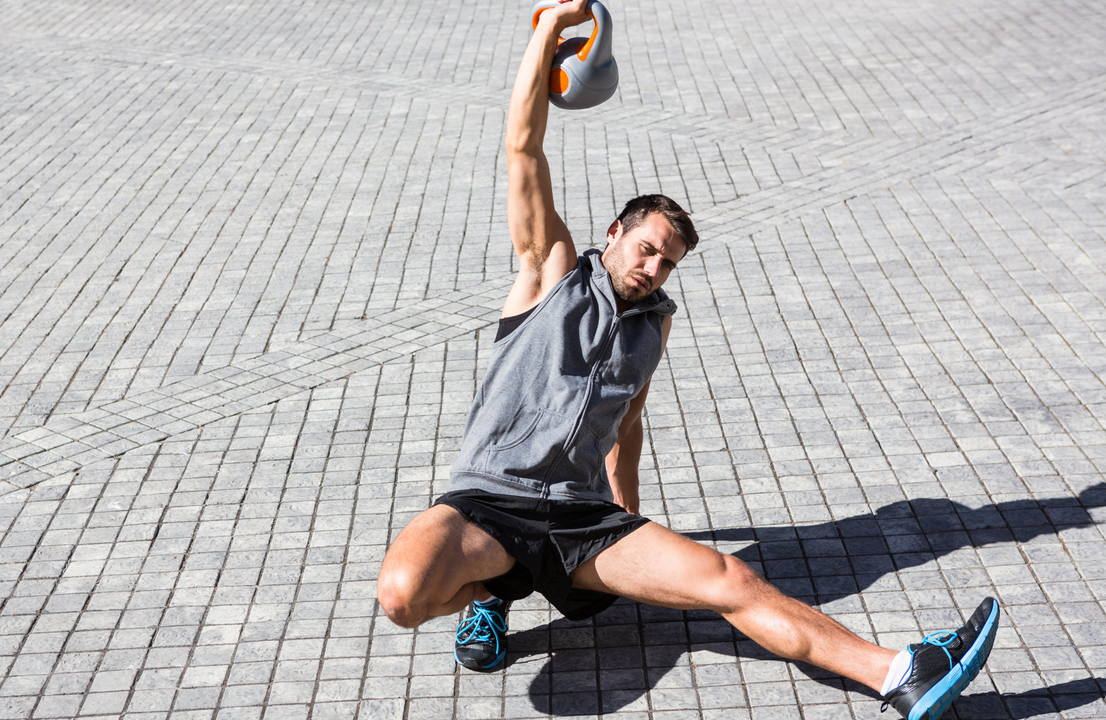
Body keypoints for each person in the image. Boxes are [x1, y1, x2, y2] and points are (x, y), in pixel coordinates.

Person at [376, 2, 999, 718]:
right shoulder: (549, 272)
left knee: (731, 579)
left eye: (667, 263)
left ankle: (902, 673)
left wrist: (630, 522)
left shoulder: (653, 326)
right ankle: (494, 596)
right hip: (489, 500)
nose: (653, 268)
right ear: (613, 233)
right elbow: (522, 149)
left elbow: (627, 421)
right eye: (646, 248)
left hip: (581, 519)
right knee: (401, 595)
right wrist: (549, 27)